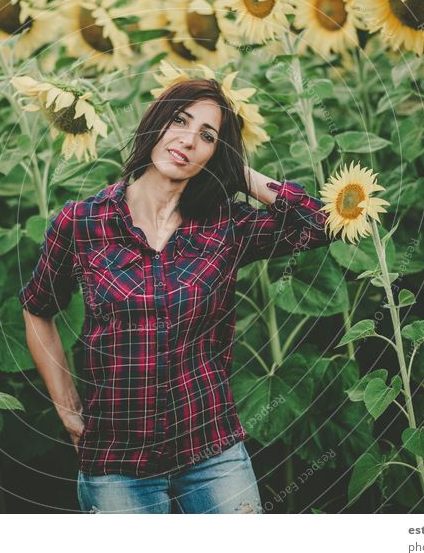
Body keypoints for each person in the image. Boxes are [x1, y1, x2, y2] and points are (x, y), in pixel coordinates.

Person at [20, 78, 331, 513]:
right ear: (155, 124)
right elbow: (37, 309)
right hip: (116, 459)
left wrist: (237, 171)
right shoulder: (82, 223)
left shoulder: (225, 227)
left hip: (211, 450)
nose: (187, 139)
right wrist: (68, 407)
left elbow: (323, 222)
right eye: (179, 121)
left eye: (207, 136)